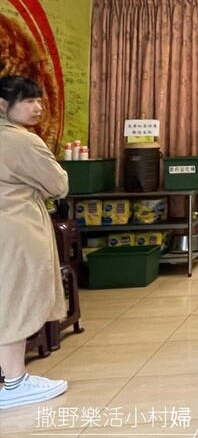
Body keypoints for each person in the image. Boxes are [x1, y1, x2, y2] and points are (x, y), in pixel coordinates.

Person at [0, 75, 69, 409]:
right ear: (3, 105)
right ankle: (14, 382)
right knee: (17, 300)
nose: (38, 107)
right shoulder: (22, 140)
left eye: (39, 100)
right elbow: (58, 184)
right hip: (17, 228)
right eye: (28, 101)